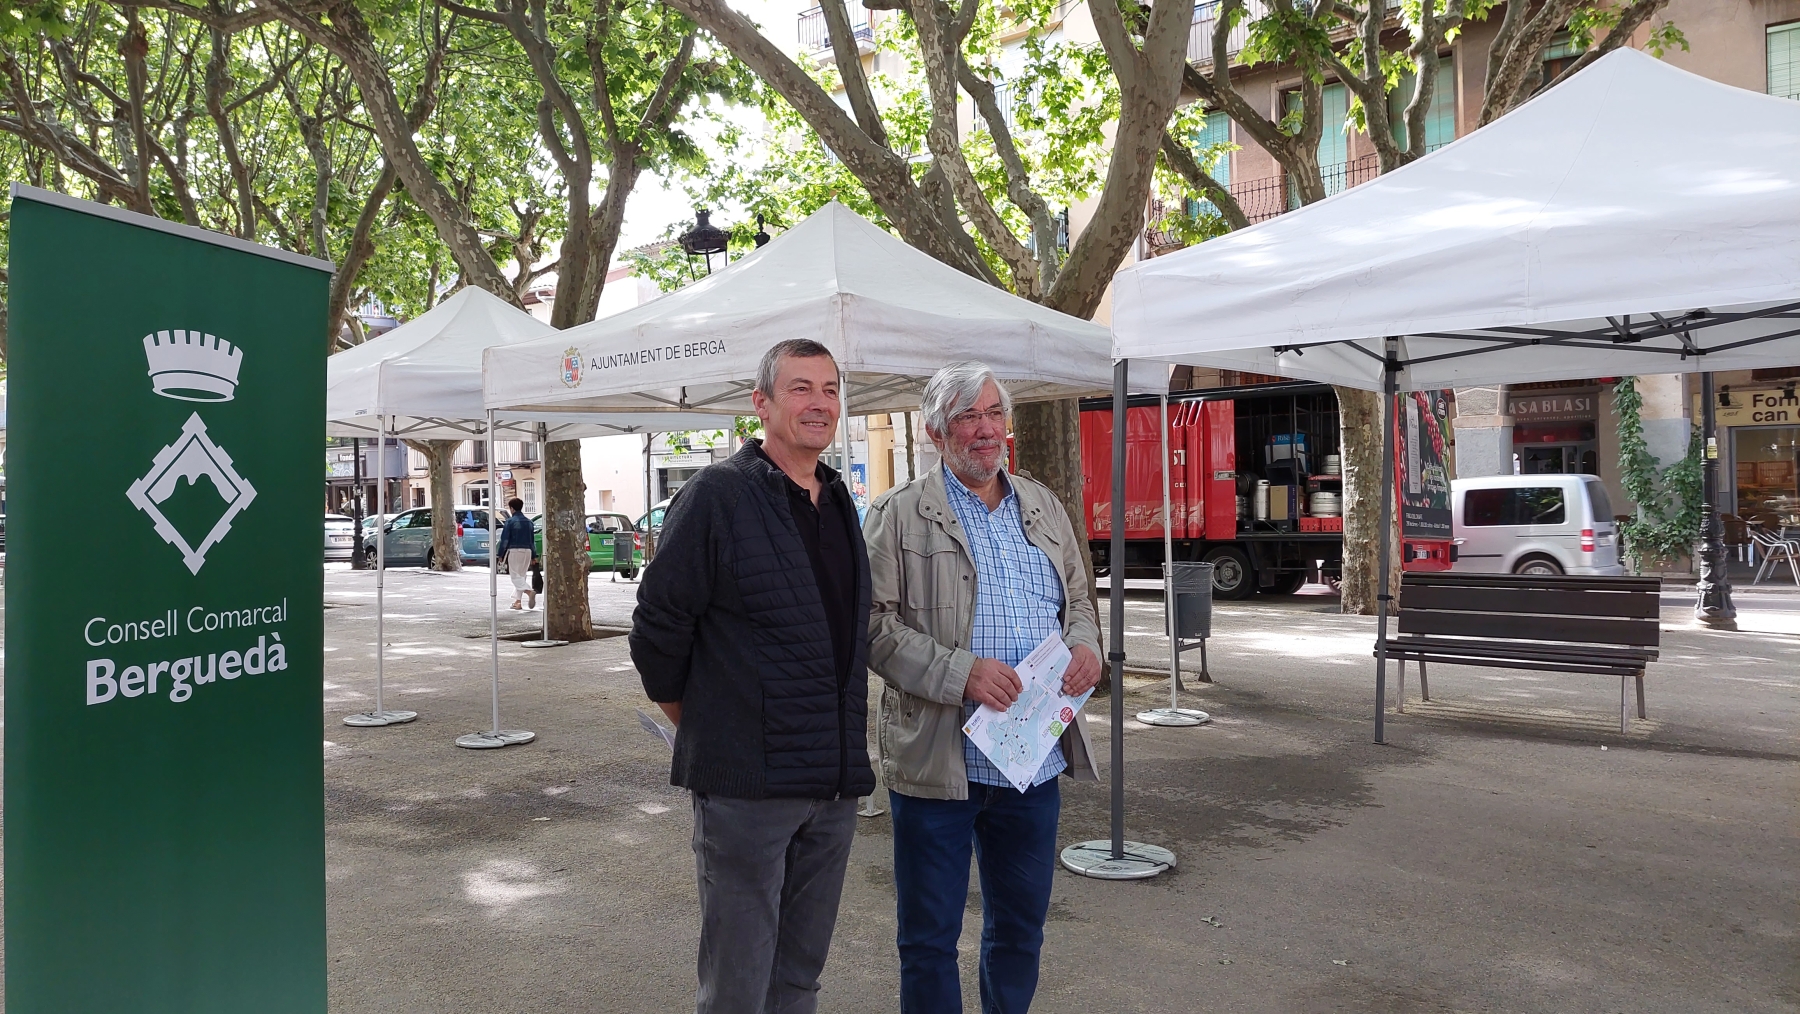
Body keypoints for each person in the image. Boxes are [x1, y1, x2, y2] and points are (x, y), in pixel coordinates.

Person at [629, 338, 876, 1014]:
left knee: (798, 977)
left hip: (832, 787)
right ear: (760, 403)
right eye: (801, 388)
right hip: (746, 791)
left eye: (829, 389)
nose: (819, 403)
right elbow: (657, 629)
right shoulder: (718, 495)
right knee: (737, 987)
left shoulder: (838, 500)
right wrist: (702, 722)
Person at [863, 361, 1104, 1014]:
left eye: (994, 413)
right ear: (936, 433)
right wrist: (960, 673)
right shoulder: (896, 515)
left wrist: (1087, 644)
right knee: (930, 940)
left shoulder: (1042, 504)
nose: (985, 429)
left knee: (1021, 932)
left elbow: (1078, 596)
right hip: (938, 764)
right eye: (968, 416)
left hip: (1033, 760)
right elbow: (872, 629)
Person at [494, 499, 536, 610]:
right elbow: (532, 541)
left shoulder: (510, 522)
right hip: (528, 551)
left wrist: (501, 554)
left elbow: (505, 540)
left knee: (515, 577)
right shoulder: (529, 522)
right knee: (521, 576)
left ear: (512, 508)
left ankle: (529, 591)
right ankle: (518, 602)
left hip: (515, 551)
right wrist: (534, 556)